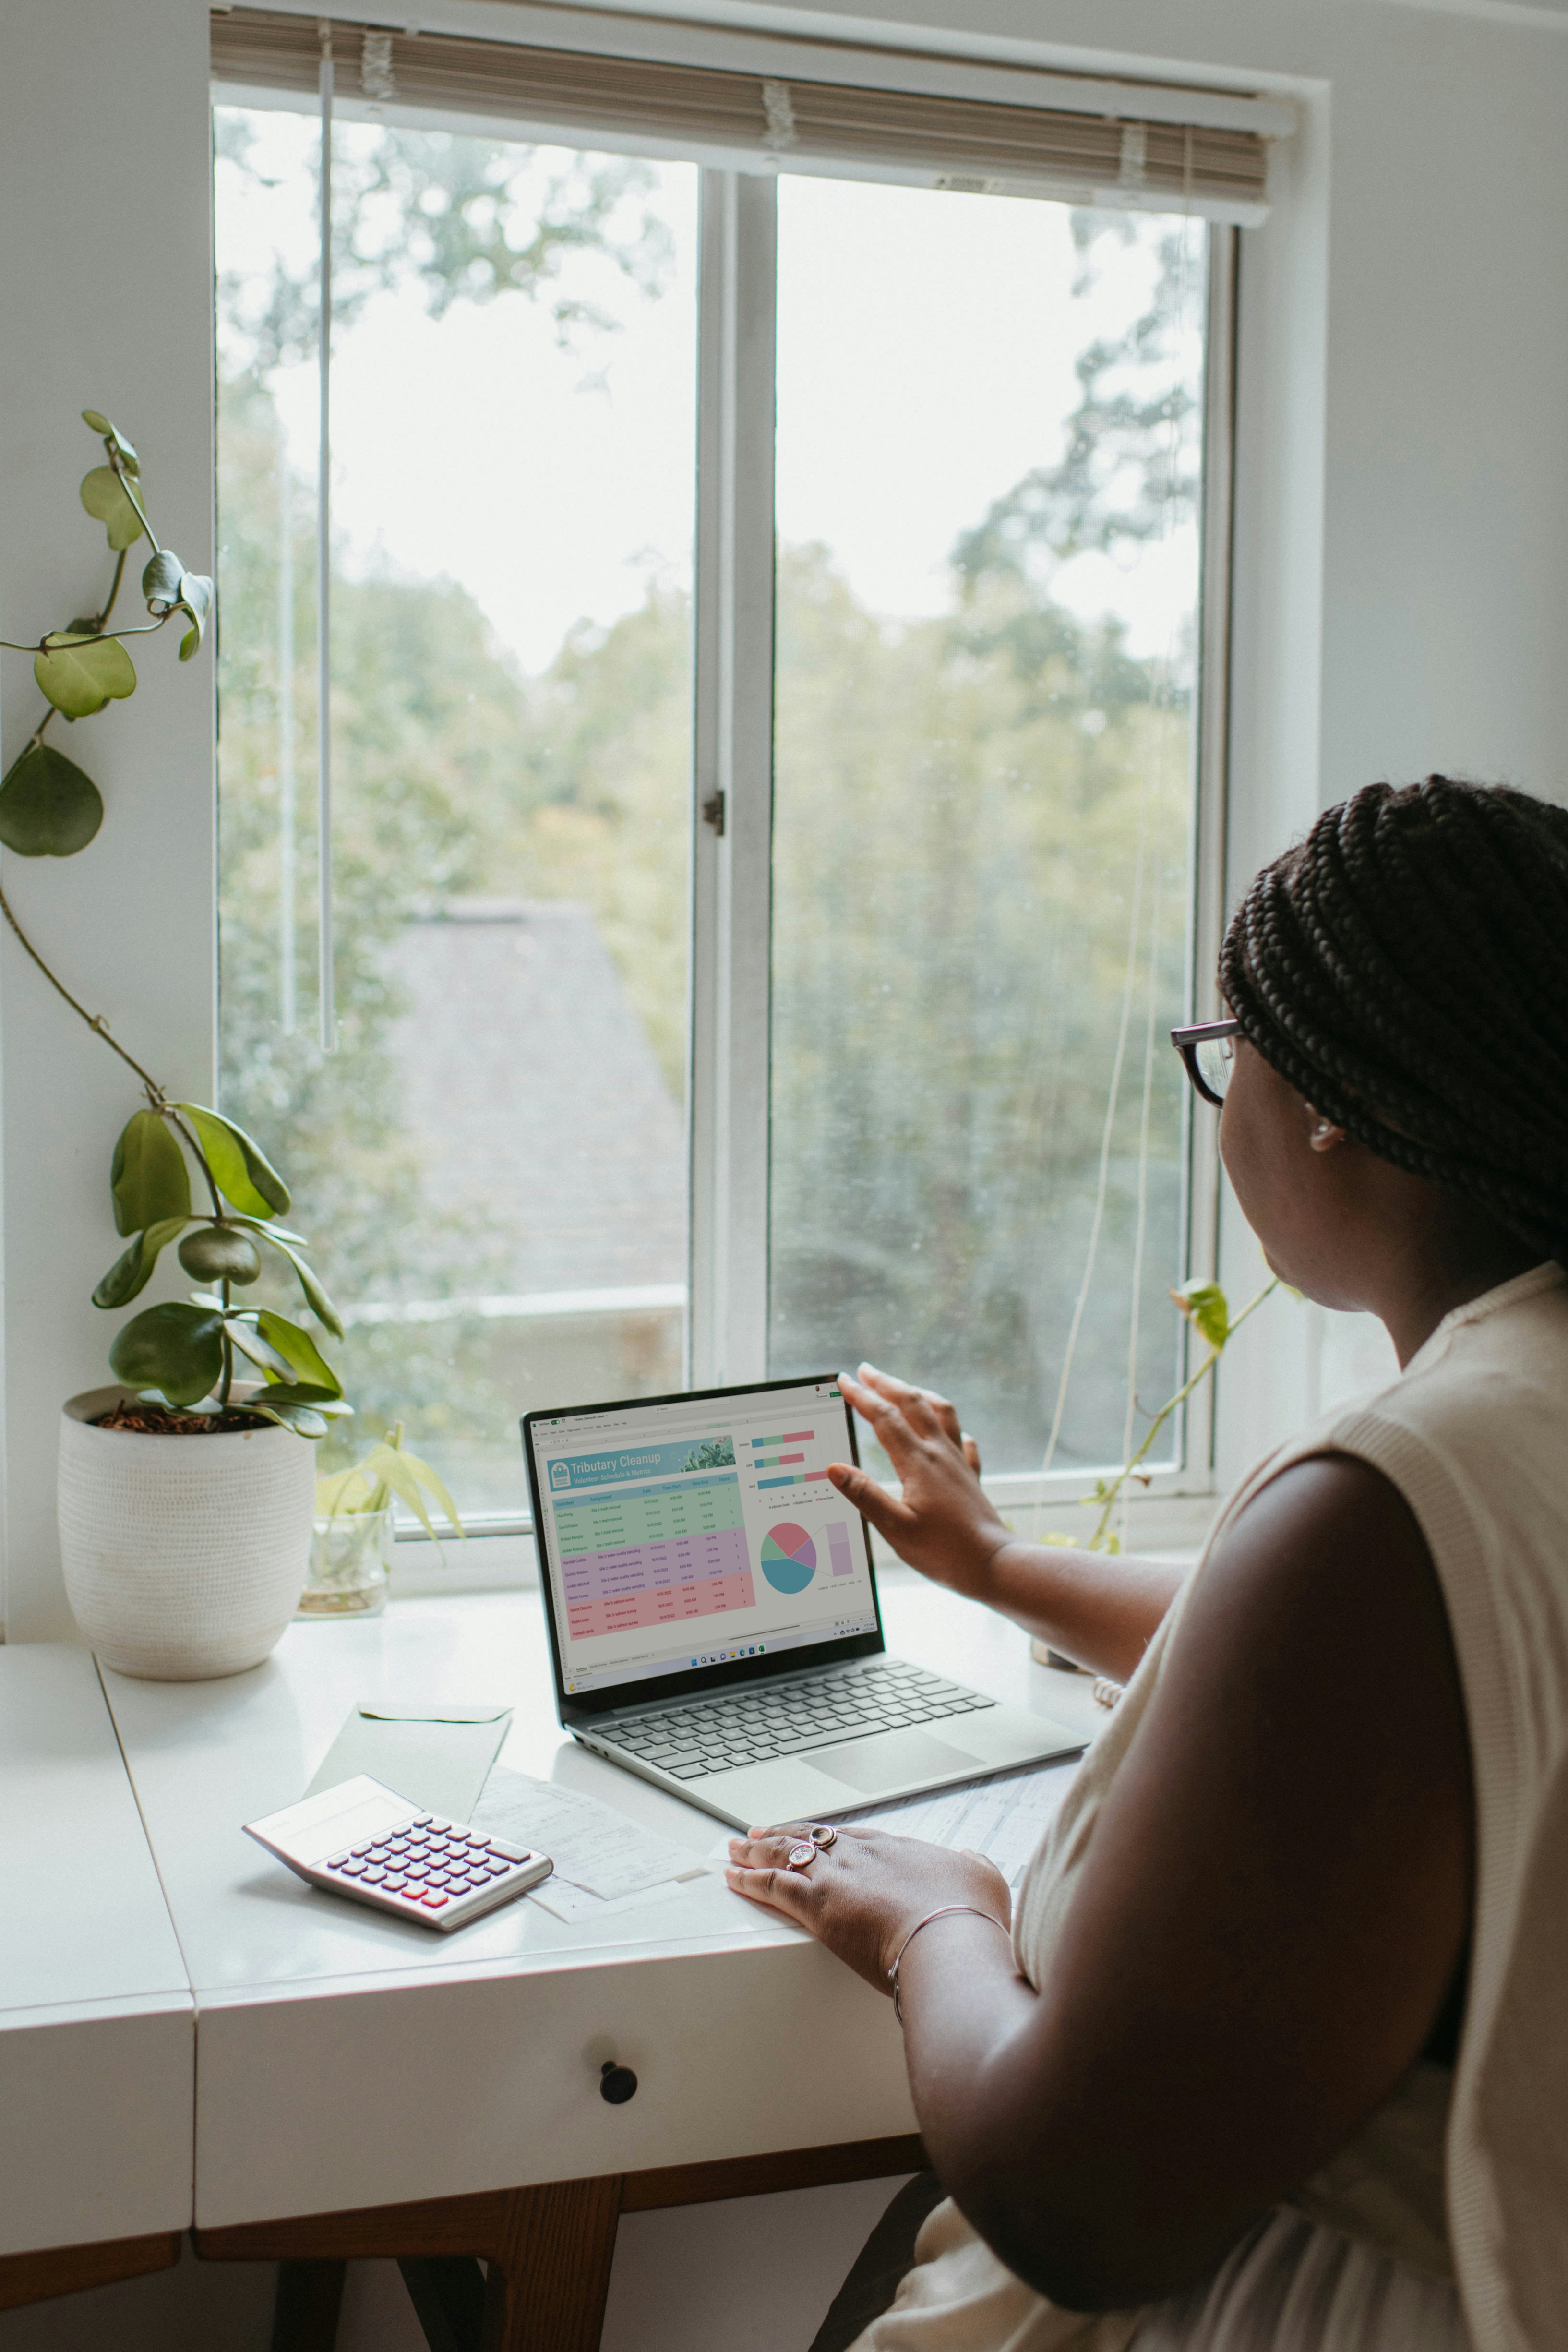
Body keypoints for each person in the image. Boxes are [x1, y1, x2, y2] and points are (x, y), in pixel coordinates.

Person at [724, 776, 1568, 2352]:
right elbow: (1415, 1682)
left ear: (1322, 1092)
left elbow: (1074, 2198)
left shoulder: (1392, 1491)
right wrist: (998, 1563)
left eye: (1222, 1049)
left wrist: (933, 1924)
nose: (1223, 1095)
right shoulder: (1510, 1428)